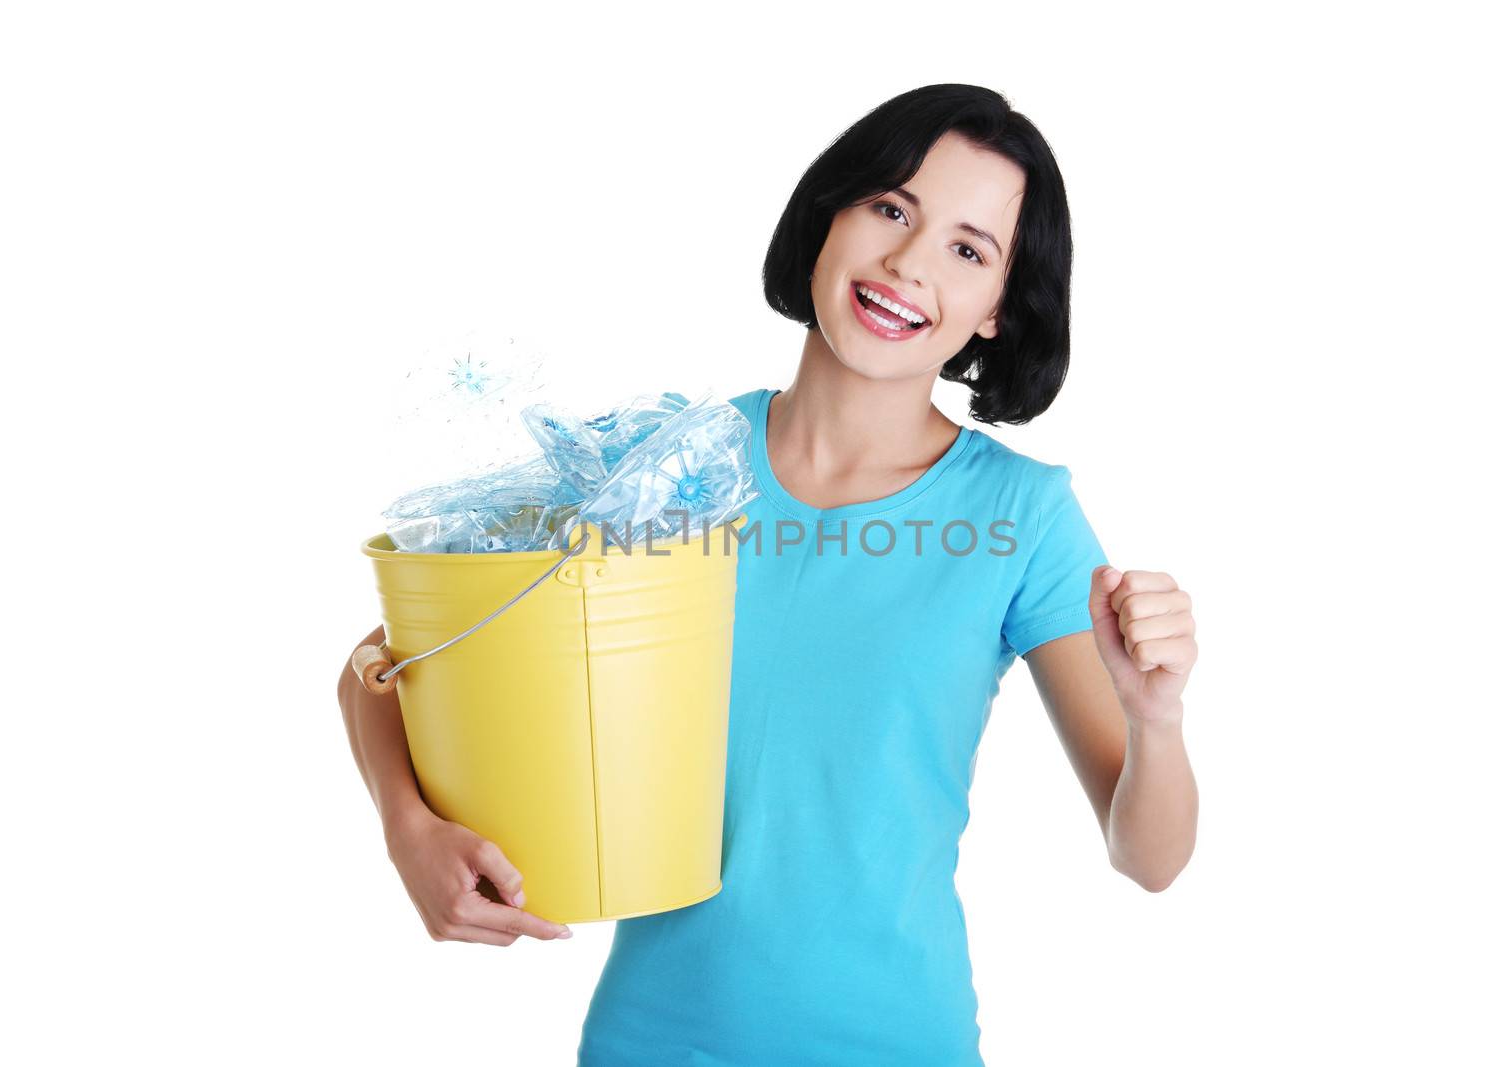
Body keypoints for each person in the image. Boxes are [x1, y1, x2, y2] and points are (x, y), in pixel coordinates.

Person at [337, 83, 1200, 1066]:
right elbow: (388, 655)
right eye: (890, 208)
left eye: (967, 249)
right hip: (650, 1042)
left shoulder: (1022, 517)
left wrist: (1156, 720)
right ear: (827, 215)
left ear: (998, 308)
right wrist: (408, 828)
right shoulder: (668, 470)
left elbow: (1151, 858)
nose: (909, 264)